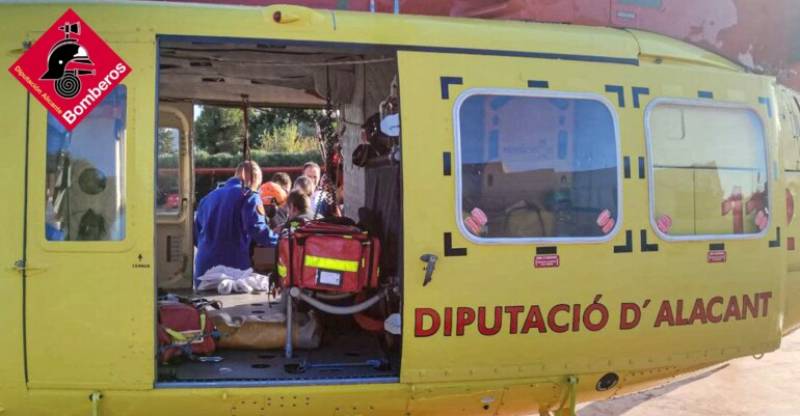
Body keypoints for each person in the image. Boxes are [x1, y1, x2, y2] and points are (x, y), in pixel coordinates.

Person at [193, 161, 277, 288]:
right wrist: (281, 241)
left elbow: (195, 236)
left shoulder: (207, 198)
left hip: (203, 271)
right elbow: (258, 230)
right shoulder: (250, 196)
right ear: (254, 180)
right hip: (231, 273)